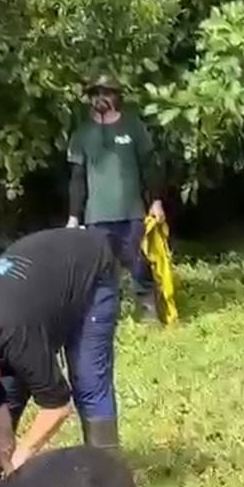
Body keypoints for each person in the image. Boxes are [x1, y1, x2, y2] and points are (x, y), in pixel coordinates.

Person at [0, 226, 120, 483]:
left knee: (88, 380)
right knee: (5, 389)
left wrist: (20, 457)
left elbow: (57, 406)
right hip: (36, 289)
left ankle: (108, 480)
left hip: (90, 265)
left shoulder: (15, 334)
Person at [66, 74, 166, 321]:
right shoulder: (82, 133)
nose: (101, 99)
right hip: (96, 216)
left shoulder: (133, 127)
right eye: (96, 94)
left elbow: (149, 167)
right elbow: (77, 178)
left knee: (140, 263)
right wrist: (73, 217)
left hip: (131, 211)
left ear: (117, 97)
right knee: (100, 270)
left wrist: (155, 201)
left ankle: (148, 310)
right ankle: (105, 315)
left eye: (107, 93)